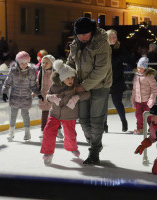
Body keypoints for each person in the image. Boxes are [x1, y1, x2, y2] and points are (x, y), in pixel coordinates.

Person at [66, 17, 112, 165]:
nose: (83, 37)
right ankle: (94, 143)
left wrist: (83, 86)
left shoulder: (102, 44)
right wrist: (65, 76)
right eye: (80, 34)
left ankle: (94, 151)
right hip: (81, 87)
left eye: (86, 34)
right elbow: (70, 64)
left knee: (96, 120)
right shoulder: (75, 44)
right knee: (84, 120)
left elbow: (101, 70)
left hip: (100, 86)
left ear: (91, 32)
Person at [40, 59, 90, 165]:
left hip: (69, 115)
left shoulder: (75, 87)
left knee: (70, 135)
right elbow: (47, 96)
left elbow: (87, 94)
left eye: (72, 77)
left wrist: (77, 97)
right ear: (62, 79)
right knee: (48, 132)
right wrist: (52, 97)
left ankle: (72, 148)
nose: (70, 79)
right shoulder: (54, 86)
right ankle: (48, 153)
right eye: (67, 78)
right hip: (54, 114)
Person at [2, 51, 42, 141]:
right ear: (18, 62)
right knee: (13, 115)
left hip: (26, 97)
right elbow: (8, 82)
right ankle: (11, 132)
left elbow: (33, 85)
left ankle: (27, 133)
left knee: (25, 115)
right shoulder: (13, 71)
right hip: (14, 97)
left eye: (25, 63)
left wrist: (38, 94)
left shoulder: (31, 72)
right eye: (21, 63)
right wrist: (4, 92)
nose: (24, 65)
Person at [103, 29, 131, 132]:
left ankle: (124, 121)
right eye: (112, 36)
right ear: (107, 37)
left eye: (115, 36)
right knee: (103, 104)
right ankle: (104, 124)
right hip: (104, 80)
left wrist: (135, 67)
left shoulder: (119, 48)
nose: (114, 38)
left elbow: (128, 59)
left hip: (117, 79)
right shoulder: (102, 48)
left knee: (117, 102)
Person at [37, 55, 64, 140]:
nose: (44, 64)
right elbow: (38, 83)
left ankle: (58, 130)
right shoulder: (41, 72)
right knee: (44, 113)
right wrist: (35, 92)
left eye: (46, 63)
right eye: (43, 62)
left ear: (52, 63)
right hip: (44, 95)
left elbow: (60, 84)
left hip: (54, 96)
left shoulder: (56, 73)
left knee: (55, 114)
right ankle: (43, 130)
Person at [131, 57, 157, 134]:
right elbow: (134, 88)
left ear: (145, 68)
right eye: (138, 68)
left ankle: (152, 128)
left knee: (149, 116)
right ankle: (140, 128)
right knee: (138, 115)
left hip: (147, 100)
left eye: (141, 68)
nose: (139, 70)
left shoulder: (149, 76)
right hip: (138, 100)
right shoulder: (136, 76)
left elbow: (154, 88)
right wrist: (133, 99)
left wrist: (151, 99)